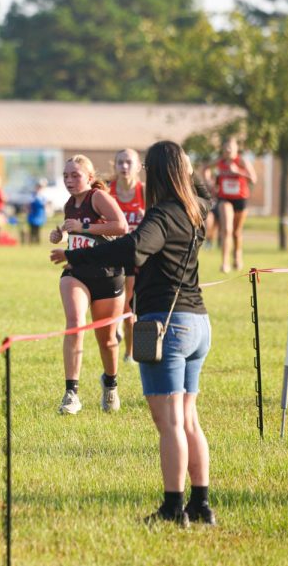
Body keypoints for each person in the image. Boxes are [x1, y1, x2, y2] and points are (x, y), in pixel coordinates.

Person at [52, 141, 213, 526]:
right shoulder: (196, 209)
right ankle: (201, 505)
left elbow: (133, 250)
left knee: (170, 422)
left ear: (155, 172)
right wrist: (187, 167)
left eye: (145, 166)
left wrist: (76, 255)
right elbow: (205, 190)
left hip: (162, 324)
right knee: (189, 418)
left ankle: (174, 508)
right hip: (198, 324)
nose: (138, 171)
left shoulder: (162, 215)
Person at [47, 155, 129, 415]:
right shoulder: (69, 203)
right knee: (75, 323)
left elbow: (121, 227)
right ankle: (71, 393)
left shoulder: (97, 197)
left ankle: (110, 382)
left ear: (90, 178)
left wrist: (83, 225)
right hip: (76, 272)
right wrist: (61, 235)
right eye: (66, 176)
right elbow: (77, 233)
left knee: (106, 340)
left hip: (107, 273)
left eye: (75, 175)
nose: (69, 181)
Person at [111, 148, 147, 360]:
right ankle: (113, 325)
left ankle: (130, 353)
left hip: (135, 255)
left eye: (129, 162)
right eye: (120, 162)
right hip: (113, 254)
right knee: (113, 301)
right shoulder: (108, 191)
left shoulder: (144, 192)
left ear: (138, 166)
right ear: (114, 166)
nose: (124, 167)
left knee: (130, 307)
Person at [204, 139, 256, 272]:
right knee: (227, 229)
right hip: (224, 198)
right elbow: (205, 168)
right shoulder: (220, 162)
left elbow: (253, 179)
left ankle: (237, 256)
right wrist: (209, 183)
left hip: (240, 199)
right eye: (226, 148)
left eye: (230, 148)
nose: (228, 151)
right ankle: (225, 263)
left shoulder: (242, 161)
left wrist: (238, 171)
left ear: (236, 149)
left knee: (236, 232)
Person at [26, 179, 49, 244]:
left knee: (38, 230)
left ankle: (37, 242)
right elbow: (29, 205)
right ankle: (31, 242)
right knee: (32, 230)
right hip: (33, 215)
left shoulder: (43, 196)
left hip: (40, 215)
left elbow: (45, 206)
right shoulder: (33, 195)